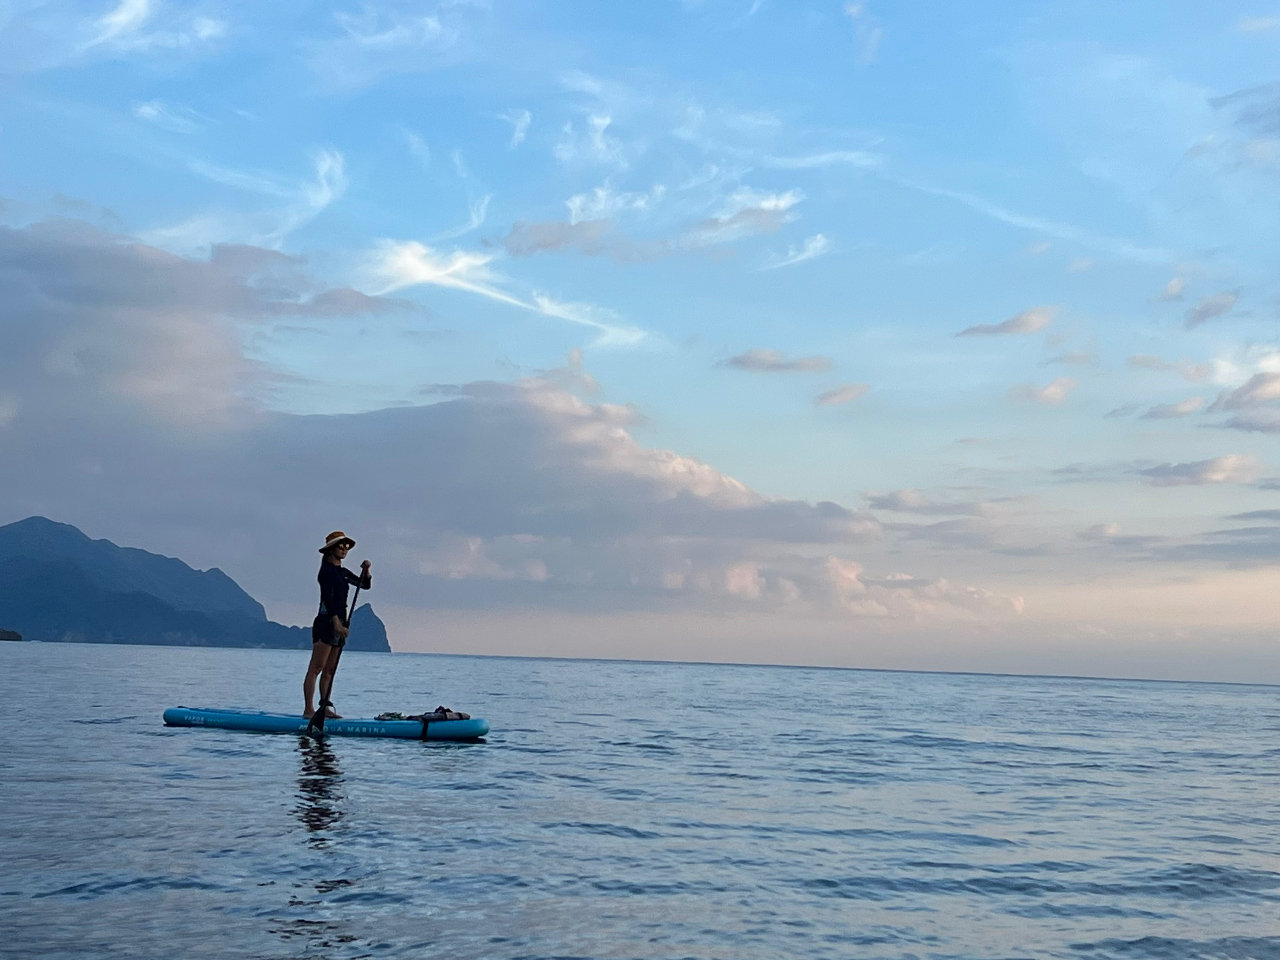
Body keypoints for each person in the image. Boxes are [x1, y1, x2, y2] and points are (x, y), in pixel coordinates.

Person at [304, 530, 372, 719]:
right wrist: (336, 624)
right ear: (331, 549)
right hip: (327, 621)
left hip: (341, 622)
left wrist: (366, 571)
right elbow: (328, 599)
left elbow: (364, 585)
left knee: (330, 670)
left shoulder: (343, 573)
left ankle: (324, 706)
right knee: (316, 667)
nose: (344, 550)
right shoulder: (326, 571)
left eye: (347, 547)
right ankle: (308, 710)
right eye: (341, 546)